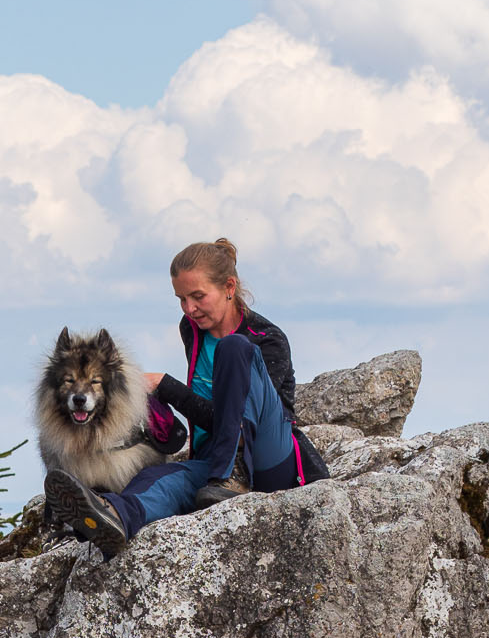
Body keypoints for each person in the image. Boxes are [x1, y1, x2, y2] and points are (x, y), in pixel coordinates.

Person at [43, 238, 327, 558]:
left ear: (229, 286)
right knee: (156, 478)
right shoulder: (191, 329)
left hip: (270, 459)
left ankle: (230, 473)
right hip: (215, 464)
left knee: (233, 350)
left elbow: (251, 416)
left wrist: (168, 387)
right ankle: (112, 515)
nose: (189, 308)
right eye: (181, 299)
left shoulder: (267, 339)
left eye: (198, 297)